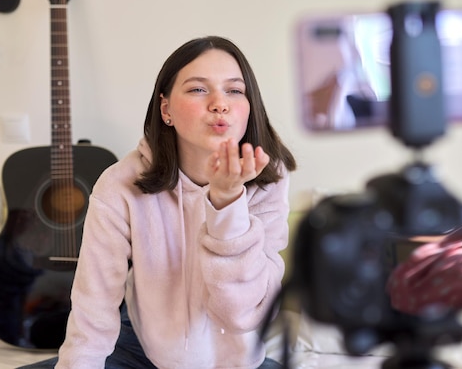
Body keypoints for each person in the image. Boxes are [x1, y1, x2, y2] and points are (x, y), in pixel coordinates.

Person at [21, 36, 297, 369]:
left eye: (234, 90)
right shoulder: (119, 185)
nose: (219, 104)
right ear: (166, 109)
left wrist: (227, 203)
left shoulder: (268, 176)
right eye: (198, 89)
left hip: (235, 361)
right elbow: (92, 311)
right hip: (139, 348)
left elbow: (245, 312)